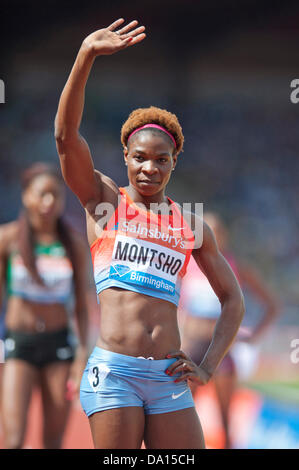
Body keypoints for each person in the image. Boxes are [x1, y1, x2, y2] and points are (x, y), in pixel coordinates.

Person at [54, 18, 245, 450]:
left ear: (175, 160)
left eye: (161, 159)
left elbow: (233, 300)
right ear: (125, 156)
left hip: (168, 378)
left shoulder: (193, 224)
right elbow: (66, 137)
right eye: (139, 157)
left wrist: (208, 365)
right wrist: (85, 55)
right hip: (115, 373)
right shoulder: (104, 201)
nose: (149, 168)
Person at [0, 163, 89, 449]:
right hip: (19, 346)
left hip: (58, 347)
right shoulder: (8, 239)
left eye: (55, 195)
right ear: (26, 196)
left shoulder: (72, 244)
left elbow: (82, 307)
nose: (49, 202)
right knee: (13, 439)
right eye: (42, 194)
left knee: (53, 441)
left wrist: (81, 355)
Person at [180, 211, 280, 449]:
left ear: (222, 236)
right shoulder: (187, 265)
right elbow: (177, 307)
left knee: (225, 419)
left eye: (214, 232)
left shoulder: (235, 267)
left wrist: (253, 337)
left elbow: (271, 304)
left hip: (221, 350)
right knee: (184, 416)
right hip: (192, 346)